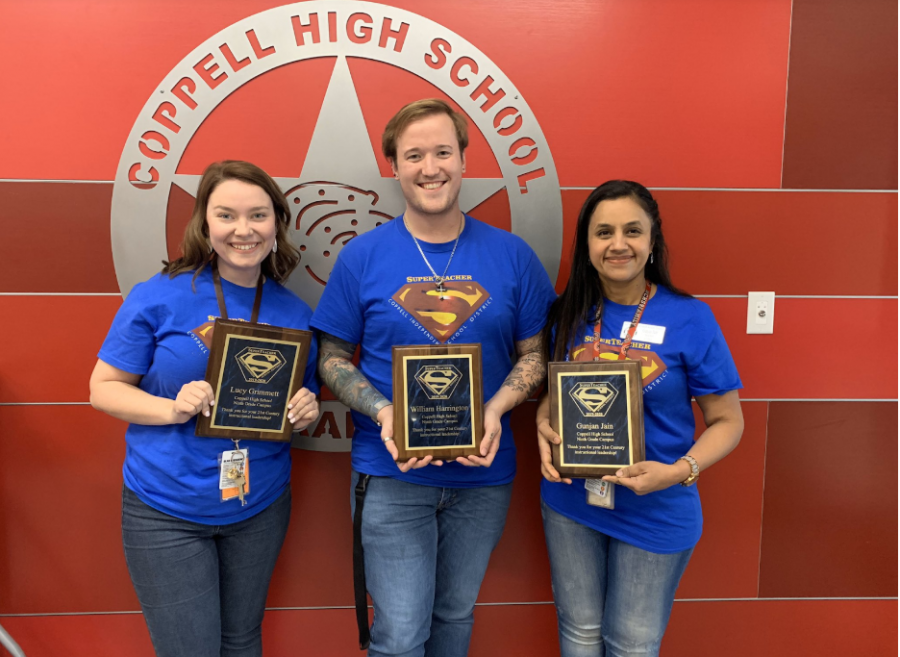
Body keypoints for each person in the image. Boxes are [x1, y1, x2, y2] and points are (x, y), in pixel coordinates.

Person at [310, 98, 556, 657]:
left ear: (464, 160)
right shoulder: (362, 257)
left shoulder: (512, 256)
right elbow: (331, 358)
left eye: (443, 152)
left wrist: (494, 410)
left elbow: (537, 355)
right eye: (414, 155)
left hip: (483, 476)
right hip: (391, 471)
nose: (430, 168)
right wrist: (383, 411)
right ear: (394, 167)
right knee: (398, 635)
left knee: (453, 618)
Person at [89, 160, 319, 657]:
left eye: (258, 215)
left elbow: (298, 401)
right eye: (227, 215)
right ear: (204, 223)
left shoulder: (295, 313)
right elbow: (103, 389)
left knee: (241, 642)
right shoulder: (161, 295)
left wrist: (307, 408)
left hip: (259, 504)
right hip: (165, 507)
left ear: (276, 224)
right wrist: (172, 408)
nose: (243, 230)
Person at [537, 180, 744, 657]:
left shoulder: (690, 317)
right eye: (603, 231)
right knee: (580, 634)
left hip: (658, 508)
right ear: (587, 244)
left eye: (633, 230)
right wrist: (542, 423)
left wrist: (678, 472)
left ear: (652, 242)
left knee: (631, 645)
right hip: (571, 503)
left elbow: (728, 421)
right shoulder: (565, 313)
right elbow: (553, 395)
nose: (618, 244)